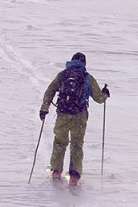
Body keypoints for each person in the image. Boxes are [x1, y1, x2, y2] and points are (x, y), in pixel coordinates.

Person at [39, 52, 110, 187]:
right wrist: (105, 94)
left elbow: (50, 91)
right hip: (80, 115)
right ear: (84, 63)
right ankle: (74, 176)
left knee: (60, 142)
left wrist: (44, 108)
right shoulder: (87, 78)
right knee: (77, 144)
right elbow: (99, 98)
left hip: (63, 114)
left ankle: (56, 171)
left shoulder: (63, 75)